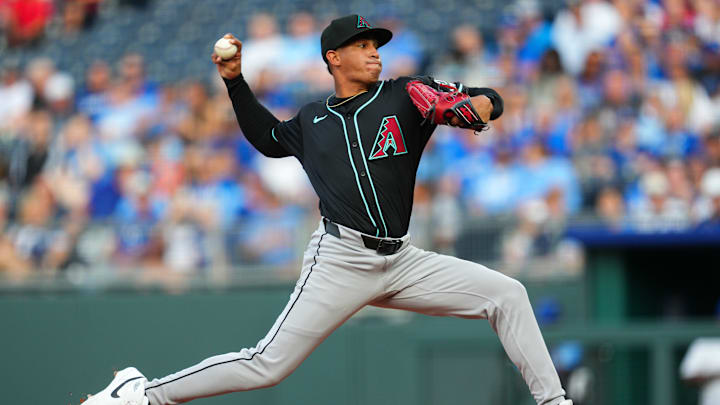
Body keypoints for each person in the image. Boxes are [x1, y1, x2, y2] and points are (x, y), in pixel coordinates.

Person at [83, 15, 572, 405]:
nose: (374, 50)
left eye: (376, 44)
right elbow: (269, 140)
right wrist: (235, 83)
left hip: (403, 260)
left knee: (507, 294)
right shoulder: (312, 118)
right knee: (267, 364)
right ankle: (144, 395)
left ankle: (554, 402)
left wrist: (478, 104)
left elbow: (489, 100)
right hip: (341, 259)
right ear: (333, 57)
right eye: (362, 45)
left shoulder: (406, 92)